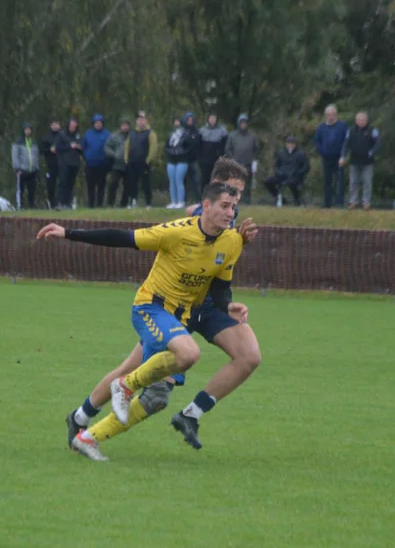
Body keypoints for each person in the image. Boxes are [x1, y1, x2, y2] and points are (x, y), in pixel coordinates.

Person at [62, 158, 261, 456]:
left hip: (206, 306)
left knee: (250, 356)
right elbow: (150, 234)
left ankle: (191, 414)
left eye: (239, 197)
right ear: (213, 191)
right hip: (171, 306)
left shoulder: (229, 229)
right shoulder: (198, 218)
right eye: (230, 193)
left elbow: (221, 274)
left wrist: (229, 300)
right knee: (147, 383)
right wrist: (68, 233)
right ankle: (82, 421)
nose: (234, 204)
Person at [339, 111, 380, 210]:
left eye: (363, 120)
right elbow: (346, 144)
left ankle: (366, 203)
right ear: (356, 120)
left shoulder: (372, 130)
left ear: (366, 121)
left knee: (367, 182)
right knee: (353, 182)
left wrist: (371, 153)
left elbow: (377, 143)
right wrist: (343, 156)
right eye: (359, 120)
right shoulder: (350, 130)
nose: (361, 122)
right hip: (354, 161)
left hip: (368, 162)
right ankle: (353, 202)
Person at [314, 105, 349, 208]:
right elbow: (316, 142)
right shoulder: (321, 128)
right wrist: (322, 152)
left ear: (336, 114)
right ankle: (327, 203)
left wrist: (343, 155)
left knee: (339, 181)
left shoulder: (342, 126)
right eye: (328, 115)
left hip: (339, 158)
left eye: (332, 114)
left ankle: (339, 203)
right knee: (327, 181)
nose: (330, 117)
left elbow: (346, 142)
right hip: (326, 158)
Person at [125, 111, 158, 209]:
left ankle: (148, 203)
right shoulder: (132, 133)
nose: (140, 122)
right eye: (139, 120)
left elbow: (153, 147)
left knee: (146, 183)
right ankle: (133, 201)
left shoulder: (150, 133)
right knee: (132, 183)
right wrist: (126, 160)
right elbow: (127, 146)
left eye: (142, 120)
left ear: (146, 121)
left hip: (144, 162)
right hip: (132, 161)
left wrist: (147, 161)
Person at [265, 135, 310, 206]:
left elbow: (306, 167)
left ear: (295, 144)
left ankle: (297, 199)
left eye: (292, 144)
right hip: (282, 175)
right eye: (288, 143)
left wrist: (299, 173)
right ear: (286, 144)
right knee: (268, 182)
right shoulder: (281, 153)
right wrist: (278, 172)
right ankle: (280, 198)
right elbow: (276, 166)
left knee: (292, 183)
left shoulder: (301, 154)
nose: (290, 145)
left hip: (295, 177)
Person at [225, 114, 257, 204]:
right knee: (234, 183)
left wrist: (252, 159)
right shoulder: (232, 136)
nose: (243, 125)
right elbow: (228, 148)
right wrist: (232, 159)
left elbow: (256, 149)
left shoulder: (252, 137)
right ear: (238, 123)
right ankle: (233, 200)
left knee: (246, 184)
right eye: (242, 123)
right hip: (236, 164)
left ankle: (247, 201)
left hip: (247, 163)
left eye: (245, 123)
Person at [81, 114, 110, 208]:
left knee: (101, 185)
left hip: (102, 163)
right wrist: (86, 157)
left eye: (100, 123)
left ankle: (100, 204)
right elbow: (83, 147)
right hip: (90, 164)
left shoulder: (107, 134)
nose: (98, 124)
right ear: (93, 124)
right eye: (96, 123)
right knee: (90, 186)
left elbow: (111, 147)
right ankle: (91, 204)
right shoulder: (88, 134)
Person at [55, 117, 83, 210]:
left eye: (74, 126)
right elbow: (58, 148)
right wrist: (70, 146)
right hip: (64, 163)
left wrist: (79, 147)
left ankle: (68, 203)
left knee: (71, 184)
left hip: (74, 163)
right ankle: (60, 203)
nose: (73, 128)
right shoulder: (62, 135)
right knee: (63, 183)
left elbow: (82, 149)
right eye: (71, 126)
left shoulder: (77, 137)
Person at [12, 123, 40, 210]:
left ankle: (31, 206)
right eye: (26, 129)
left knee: (32, 190)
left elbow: (36, 155)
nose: (28, 131)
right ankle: (20, 206)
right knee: (21, 189)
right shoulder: (18, 142)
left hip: (32, 170)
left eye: (29, 129)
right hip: (22, 170)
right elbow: (15, 156)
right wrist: (17, 168)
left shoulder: (33, 142)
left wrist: (37, 167)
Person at [164, 116, 190, 209]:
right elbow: (166, 146)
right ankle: (173, 201)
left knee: (179, 180)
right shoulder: (170, 134)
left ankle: (181, 201)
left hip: (182, 160)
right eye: (175, 121)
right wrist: (170, 152)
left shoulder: (186, 134)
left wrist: (180, 152)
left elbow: (188, 148)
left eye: (178, 121)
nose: (176, 123)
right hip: (171, 160)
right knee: (172, 181)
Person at [104, 118, 130, 208]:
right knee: (113, 183)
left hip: (128, 164)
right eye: (123, 125)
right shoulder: (114, 136)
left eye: (127, 125)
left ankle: (124, 204)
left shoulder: (132, 136)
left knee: (127, 185)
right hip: (116, 164)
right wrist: (114, 155)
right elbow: (107, 147)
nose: (125, 127)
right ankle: (110, 203)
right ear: (121, 126)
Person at [198, 113, 228, 188]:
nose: (212, 120)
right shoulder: (202, 130)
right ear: (208, 119)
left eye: (214, 118)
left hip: (217, 158)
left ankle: (215, 197)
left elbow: (225, 145)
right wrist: (200, 157)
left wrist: (222, 156)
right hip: (205, 159)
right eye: (211, 118)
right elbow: (198, 145)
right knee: (205, 178)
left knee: (216, 178)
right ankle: (204, 196)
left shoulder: (222, 131)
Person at [183, 112, 203, 202]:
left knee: (195, 180)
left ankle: (198, 199)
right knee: (183, 181)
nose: (190, 121)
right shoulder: (182, 131)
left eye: (191, 119)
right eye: (188, 120)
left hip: (193, 159)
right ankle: (183, 200)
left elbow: (199, 145)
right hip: (183, 159)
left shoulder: (197, 132)